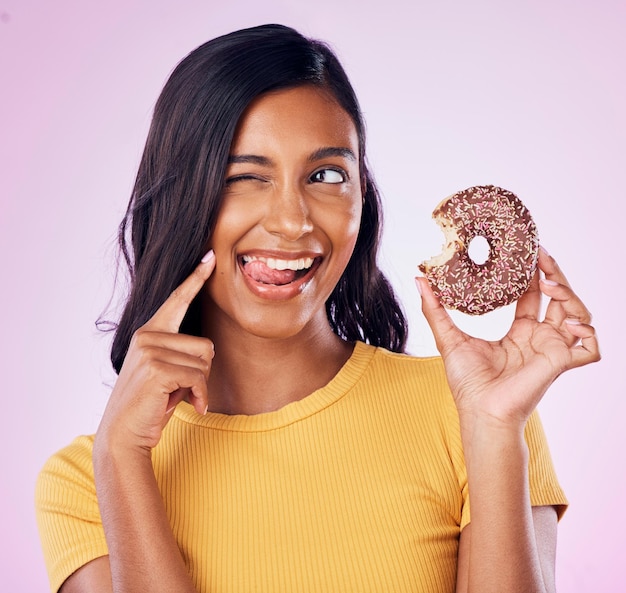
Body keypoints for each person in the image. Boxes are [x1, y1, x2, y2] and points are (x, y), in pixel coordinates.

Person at [35, 23, 600, 593]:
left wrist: (494, 430)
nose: (292, 220)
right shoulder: (89, 479)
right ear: (182, 195)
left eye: (326, 175)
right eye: (245, 177)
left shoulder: (471, 412)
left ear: (362, 197)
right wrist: (122, 461)